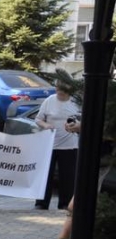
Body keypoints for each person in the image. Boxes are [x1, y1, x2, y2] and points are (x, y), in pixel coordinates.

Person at [35, 81, 80, 210]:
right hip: (50, 144)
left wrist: (75, 125)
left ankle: (65, 203)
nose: (60, 92)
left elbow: (83, 119)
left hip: (69, 145)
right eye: (58, 89)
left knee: (67, 176)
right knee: (45, 175)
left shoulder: (75, 102)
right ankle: (41, 203)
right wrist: (46, 125)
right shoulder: (49, 100)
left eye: (63, 90)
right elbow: (38, 119)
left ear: (69, 90)